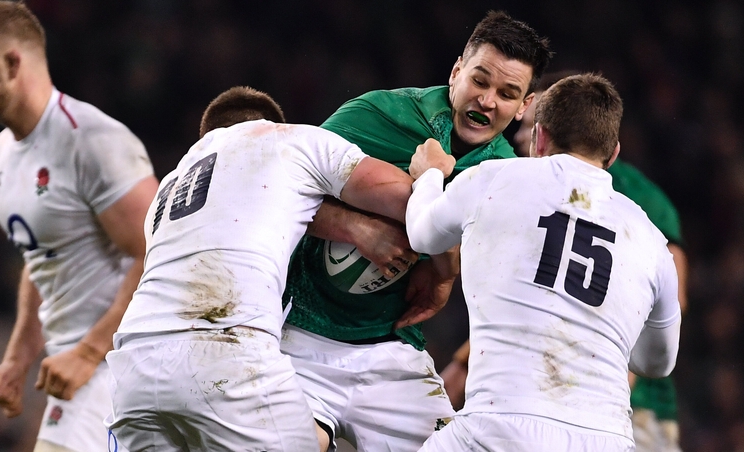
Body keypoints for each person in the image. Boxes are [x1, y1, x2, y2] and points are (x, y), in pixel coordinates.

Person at [106, 86, 445, 452]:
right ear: (272, 123)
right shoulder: (291, 139)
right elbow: (421, 211)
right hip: (224, 349)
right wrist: (431, 175)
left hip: (131, 370)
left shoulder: (170, 187)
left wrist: (350, 227)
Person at [281, 10, 553, 451]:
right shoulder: (377, 115)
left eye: (507, 93)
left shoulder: (506, 175)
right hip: (300, 336)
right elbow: (278, 190)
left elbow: (481, 263)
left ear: (524, 106)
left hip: (391, 350)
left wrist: (446, 269)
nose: (487, 100)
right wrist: (354, 228)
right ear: (456, 71)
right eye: (480, 81)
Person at [406, 73, 681, 451]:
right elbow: (657, 363)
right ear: (613, 153)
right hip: (606, 440)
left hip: (497, 429)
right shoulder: (651, 239)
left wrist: (430, 175)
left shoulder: (493, 179)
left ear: (539, 136)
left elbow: (422, 234)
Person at [0, 2, 158, 451]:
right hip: (78, 368)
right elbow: (40, 255)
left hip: (124, 365)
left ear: (11, 62)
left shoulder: (93, 141)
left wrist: (88, 353)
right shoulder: (4, 150)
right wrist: (17, 359)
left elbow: (160, 250)